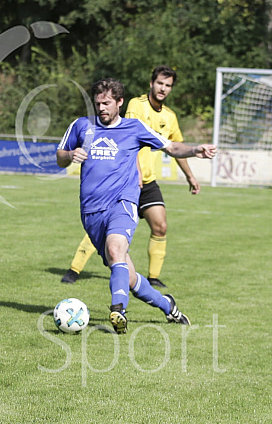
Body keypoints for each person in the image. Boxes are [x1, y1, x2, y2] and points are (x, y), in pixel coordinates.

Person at [57, 78, 216, 333]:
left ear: (120, 102)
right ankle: (168, 305)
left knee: (116, 248)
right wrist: (70, 155)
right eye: (98, 103)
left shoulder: (134, 128)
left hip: (123, 202)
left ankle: (118, 310)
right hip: (90, 212)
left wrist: (196, 149)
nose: (101, 108)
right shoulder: (81, 126)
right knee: (128, 276)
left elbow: (171, 146)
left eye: (107, 103)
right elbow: (60, 157)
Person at [61, 65, 200, 289]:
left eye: (168, 85)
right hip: (126, 180)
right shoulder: (137, 105)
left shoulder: (170, 117)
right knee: (108, 226)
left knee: (160, 225)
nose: (163, 88)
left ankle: (153, 277)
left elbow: (174, 147)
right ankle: (74, 269)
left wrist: (190, 175)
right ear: (151, 83)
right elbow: (125, 142)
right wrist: (134, 173)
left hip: (148, 181)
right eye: (160, 83)